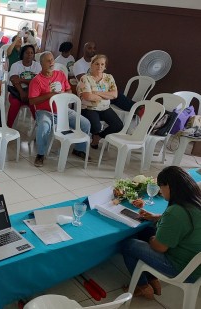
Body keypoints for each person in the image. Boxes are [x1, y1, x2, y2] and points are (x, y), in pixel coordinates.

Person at [122, 166, 201, 300]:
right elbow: (182, 224)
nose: (160, 191)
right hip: (195, 265)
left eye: (161, 187)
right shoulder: (195, 202)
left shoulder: (176, 211)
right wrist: (155, 218)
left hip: (181, 268)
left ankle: (143, 286)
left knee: (128, 244)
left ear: (169, 186)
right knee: (146, 230)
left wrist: (153, 239)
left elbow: (160, 247)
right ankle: (152, 279)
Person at [28, 52, 91, 167]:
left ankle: (79, 150)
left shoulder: (60, 75)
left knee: (85, 123)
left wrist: (62, 94)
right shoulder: (36, 80)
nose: (51, 62)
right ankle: (40, 154)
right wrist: (50, 94)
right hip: (45, 111)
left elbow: (69, 91)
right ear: (41, 64)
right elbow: (32, 101)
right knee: (43, 127)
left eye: (52, 59)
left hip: (63, 110)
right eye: (48, 61)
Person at [76, 54, 123, 149]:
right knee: (96, 127)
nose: (99, 66)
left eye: (102, 64)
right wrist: (106, 95)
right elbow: (88, 96)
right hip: (88, 108)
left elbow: (114, 95)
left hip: (105, 108)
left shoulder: (109, 77)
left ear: (105, 66)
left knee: (118, 125)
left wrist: (97, 92)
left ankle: (98, 136)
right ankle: (94, 134)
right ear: (91, 65)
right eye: (97, 64)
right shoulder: (85, 78)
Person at [7, 44, 41, 128]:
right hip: (17, 92)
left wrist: (21, 80)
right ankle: (8, 127)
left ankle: (39, 127)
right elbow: (14, 80)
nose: (29, 54)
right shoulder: (16, 65)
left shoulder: (37, 65)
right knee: (15, 103)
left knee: (35, 105)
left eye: (32, 53)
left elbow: (37, 82)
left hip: (32, 93)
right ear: (22, 54)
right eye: (27, 52)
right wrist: (22, 92)